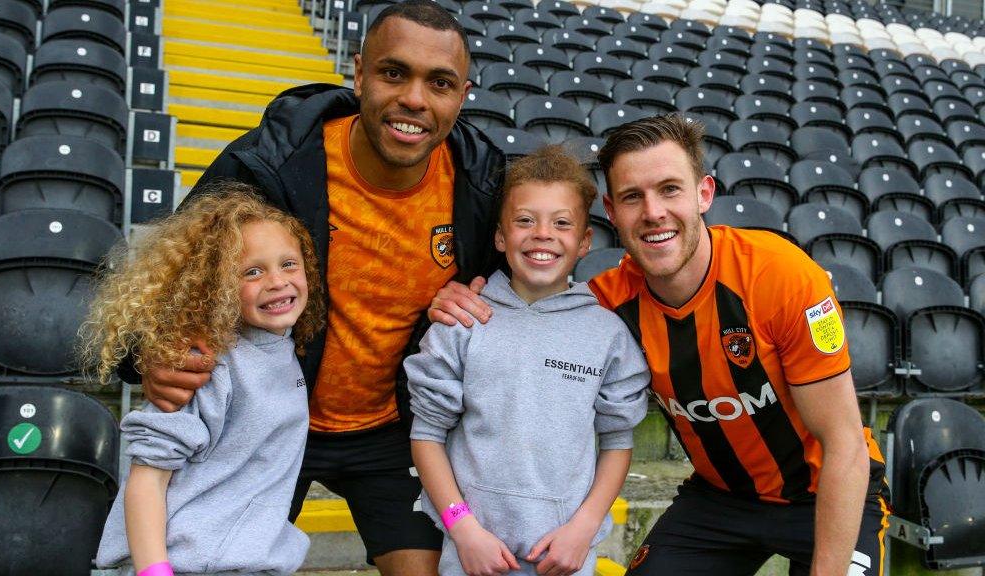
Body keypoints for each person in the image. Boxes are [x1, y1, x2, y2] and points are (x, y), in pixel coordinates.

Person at [115, 1, 506, 573]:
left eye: (439, 83)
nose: (415, 100)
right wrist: (147, 356)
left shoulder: (480, 178)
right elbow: (164, 282)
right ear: (359, 73)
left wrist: (473, 302)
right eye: (394, 73)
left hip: (390, 430)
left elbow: (529, 286)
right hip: (265, 420)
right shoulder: (268, 164)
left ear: (462, 94)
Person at [431, 115, 889, 576]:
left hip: (827, 492)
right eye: (633, 196)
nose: (653, 212)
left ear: (704, 193)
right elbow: (531, 308)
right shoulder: (604, 305)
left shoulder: (781, 278)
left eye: (669, 189)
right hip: (721, 499)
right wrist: (462, 298)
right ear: (612, 212)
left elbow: (845, 446)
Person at [406, 146, 650, 576]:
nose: (542, 234)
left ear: (584, 241)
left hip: (563, 556)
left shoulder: (607, 335)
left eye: (561, 223)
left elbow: (617, 441)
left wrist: (584, 527)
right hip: (473, 554)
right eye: (524, 220)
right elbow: (427, 434)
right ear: (500, 237)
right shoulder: (462, 321)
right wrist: (462, 529)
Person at [86, 183, 325, 576]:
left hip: (252, 562)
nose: (278, 281)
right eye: (252, 271)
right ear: (215, 287)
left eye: (288, 264)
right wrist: (153, 571)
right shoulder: (204, 363)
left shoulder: (284, 349)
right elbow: (146, 481)